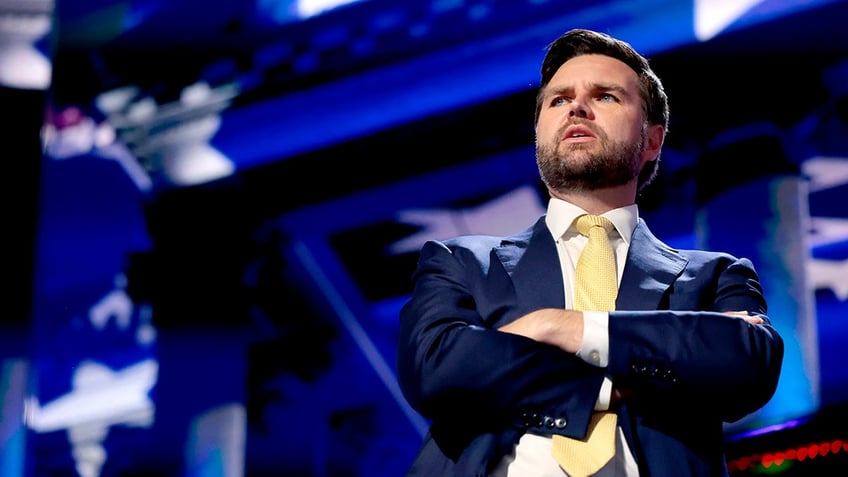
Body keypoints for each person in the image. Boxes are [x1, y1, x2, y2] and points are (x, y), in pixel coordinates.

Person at [395, 28, 784, 477]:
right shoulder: (460, 262)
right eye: (558, 100)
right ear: (539, 134)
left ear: (653, 140)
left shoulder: (714, 275)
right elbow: (436, 370)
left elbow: (746, 362)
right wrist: (616, 377)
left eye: (605, 97)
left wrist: (560, 326)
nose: (576, 106)